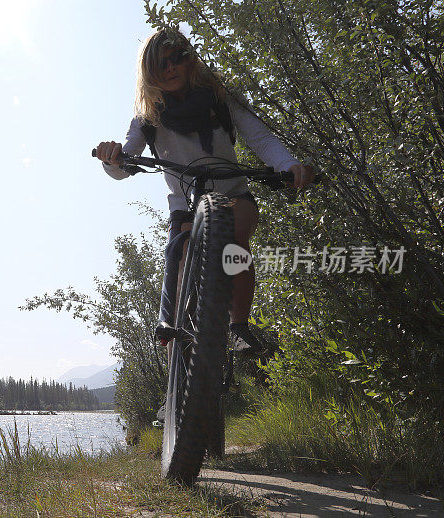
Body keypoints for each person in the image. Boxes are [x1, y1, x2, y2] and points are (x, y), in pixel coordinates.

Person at [95, 29, 315, 382]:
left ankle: (238, 326)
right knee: (178, 252)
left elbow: (259, 136)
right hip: (185, 204)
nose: (170, 68)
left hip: (233, 194)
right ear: (148, 70)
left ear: (190, 58)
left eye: (177, 57)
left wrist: (289, 166)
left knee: (235, 238)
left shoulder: (219, 96)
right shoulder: (147, 114)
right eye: (159, 62)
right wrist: (113, 159)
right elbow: (127, 159)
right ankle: (174, 358)